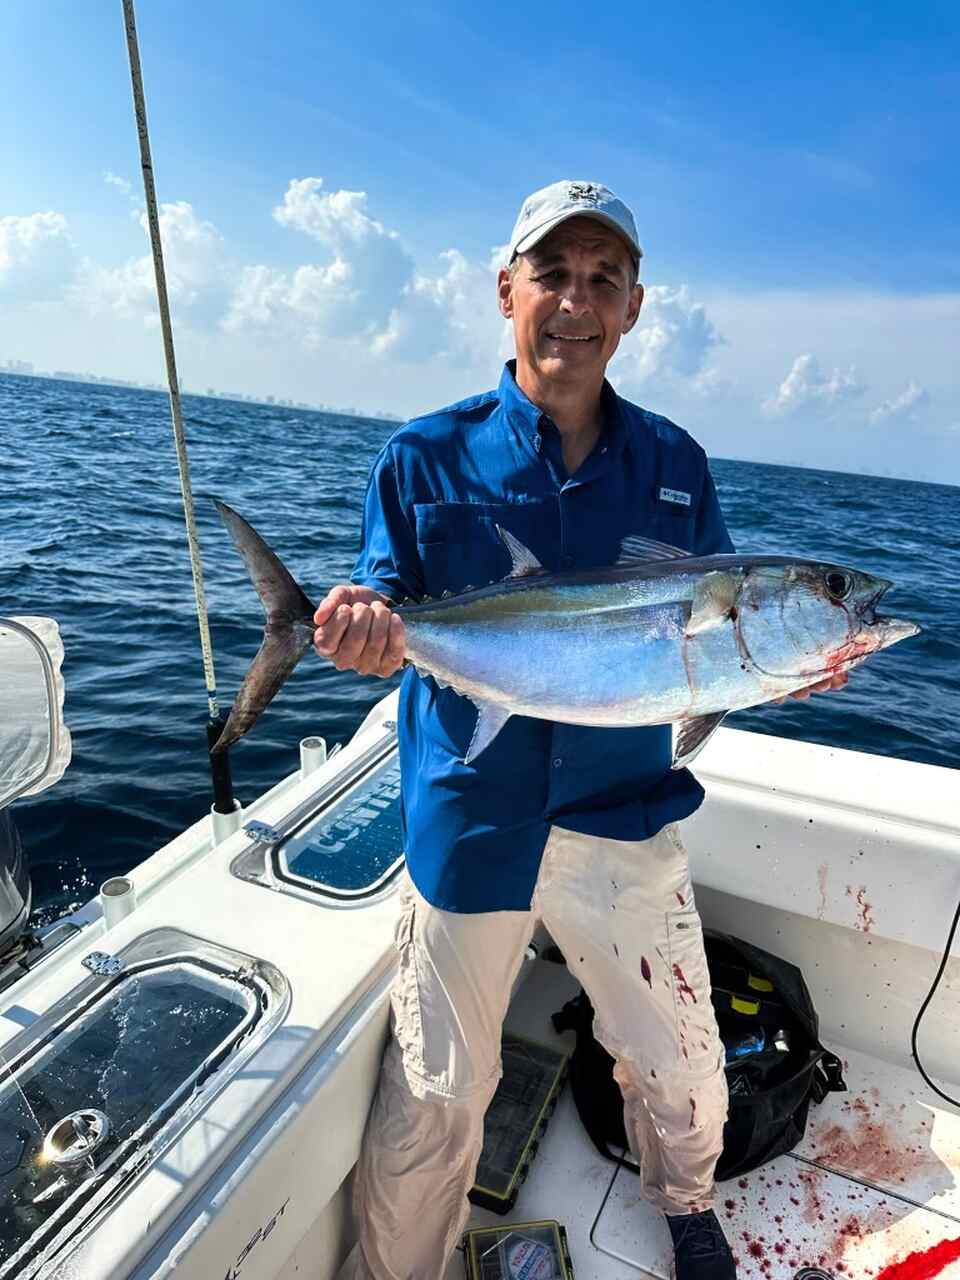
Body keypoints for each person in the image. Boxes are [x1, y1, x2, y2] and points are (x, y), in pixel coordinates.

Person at [317, 180, 847, 1280]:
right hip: (475, 809)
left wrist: (775, 663)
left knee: (686, 1068)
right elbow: (383, 589)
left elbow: (713, 644)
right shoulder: (424, 456)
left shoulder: (675, 466)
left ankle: (685, 1200)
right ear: (505, 290)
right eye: (552, 273)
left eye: (603, 278)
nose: (576, 300)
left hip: (621, 808)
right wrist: (366, 625)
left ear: (636, 307)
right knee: (438, 1093)